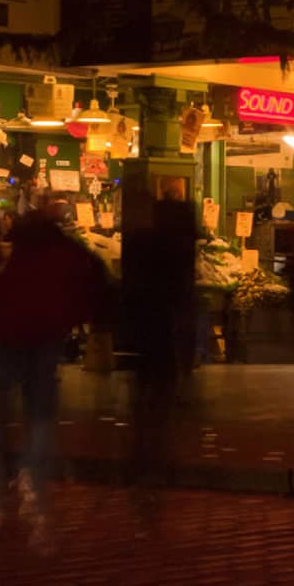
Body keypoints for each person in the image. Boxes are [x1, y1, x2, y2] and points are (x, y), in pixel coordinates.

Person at [0, 204, 104, 548]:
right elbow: (93, 283)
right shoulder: (67, 252)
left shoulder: (1, 252)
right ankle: (32, 476)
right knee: (39, 411)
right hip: (43, 336)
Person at [119, 197, 198, 516]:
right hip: (163, 330)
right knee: (161, 394)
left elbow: (129, 287)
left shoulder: (139, 244)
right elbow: (182, 296)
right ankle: (157, 457)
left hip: (143, 329)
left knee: (143, 393)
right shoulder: (178, 250)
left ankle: (142, 455)